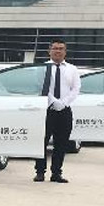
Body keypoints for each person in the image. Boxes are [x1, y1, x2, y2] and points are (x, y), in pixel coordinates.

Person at [35, 40, 79, 183]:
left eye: (61, 49)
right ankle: (40, 172)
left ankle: (56, 173)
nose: (58, 51)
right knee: (42, 141)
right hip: (46, 109)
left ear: (65, 52)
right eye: (55, 48)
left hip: (65, 110)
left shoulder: (72, 69)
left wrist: (63, 103)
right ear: (49, 51)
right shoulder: (42, 67)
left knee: (61, 143)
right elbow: (40, 86)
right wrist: (53, 101)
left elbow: (75, 89)